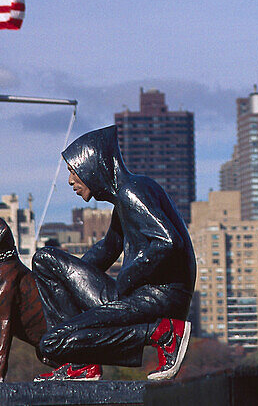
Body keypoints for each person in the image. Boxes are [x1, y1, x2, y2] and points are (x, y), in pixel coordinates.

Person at [32, 126, 196, 381]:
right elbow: (106, 250)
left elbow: (168, 241)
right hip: (138, 295)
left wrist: (128, 278)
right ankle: (80, 363)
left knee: (52, 344)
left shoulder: (132, 192)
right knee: (45, 261)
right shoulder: (125, 198)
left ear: (92, 165)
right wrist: (66, 283)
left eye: (73, 171)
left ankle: (162, 333)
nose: (70, 180)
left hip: (156, 299)